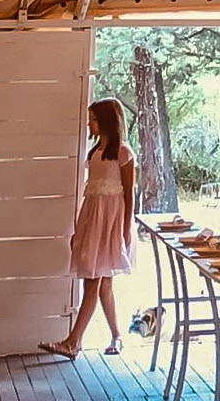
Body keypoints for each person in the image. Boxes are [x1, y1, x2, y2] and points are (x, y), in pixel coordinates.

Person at [39, 98, 136, 358]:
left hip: (112, 223)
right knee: (102, 284)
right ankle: (117, 335)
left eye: (93, 119)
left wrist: (125, 231)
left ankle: (73, 342)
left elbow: (129, 194)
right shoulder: (94, 154)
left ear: (104, 121)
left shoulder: (124, 154)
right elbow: (91, 194)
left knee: (94, 281)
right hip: (93, 221)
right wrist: (79, 229)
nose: (89, 124)